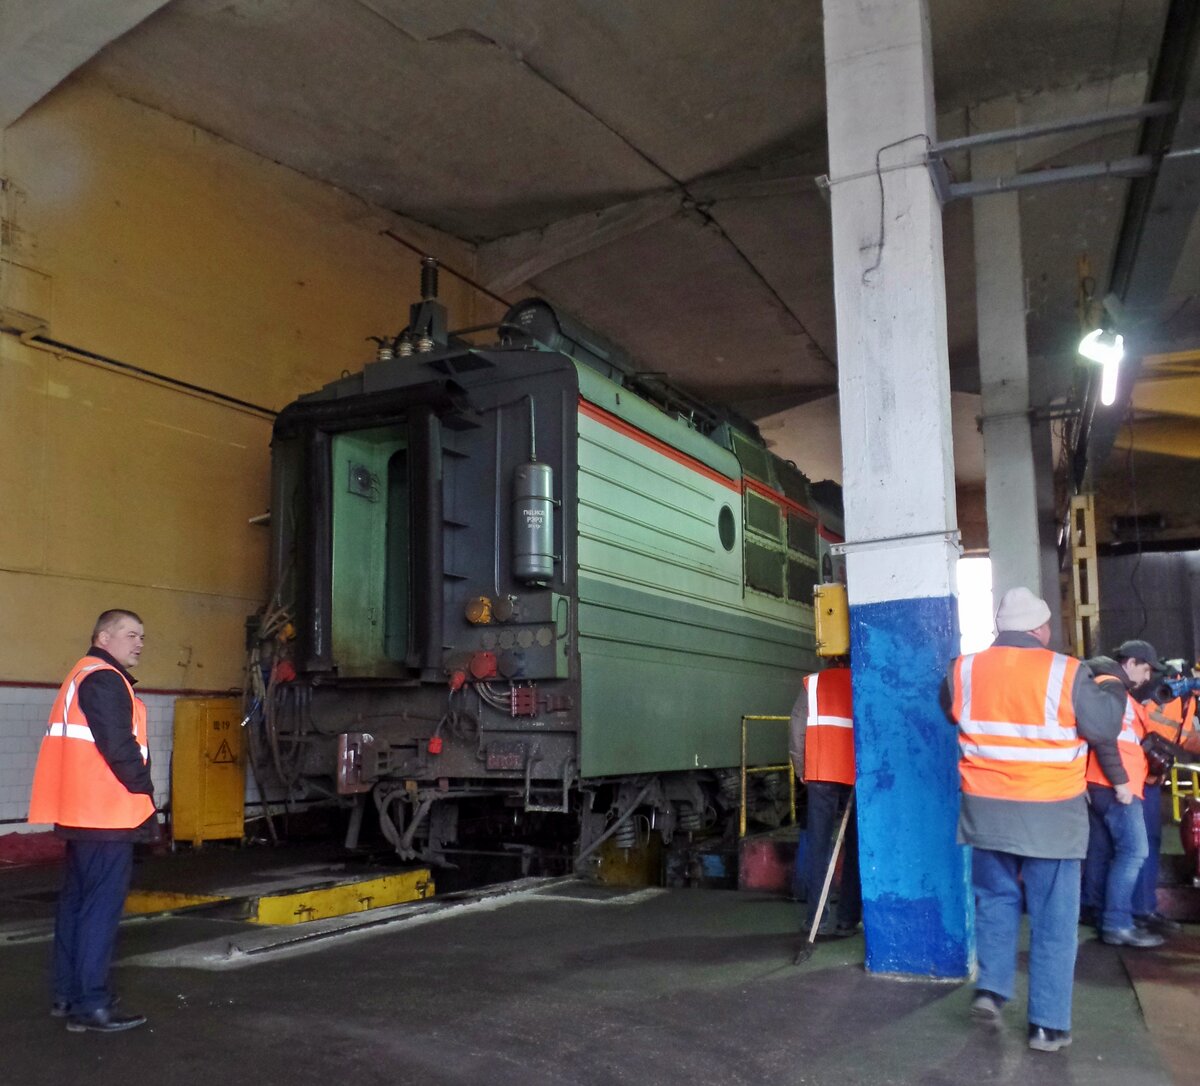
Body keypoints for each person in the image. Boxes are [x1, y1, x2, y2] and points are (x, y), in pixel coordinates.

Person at [943, 587, 1123, 1053]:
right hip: (1051, 816)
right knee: (1054, 919)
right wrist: (1114, 685)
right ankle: (1046, 1025)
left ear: (1002, 629)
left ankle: (991, 989)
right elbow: (1103, 727)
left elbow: (949, 709)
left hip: (987, 812)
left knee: (996, 901)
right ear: (1041, 629)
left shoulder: (964, 670)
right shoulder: (1067, 672)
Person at [28, 610, 157, 1033]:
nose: (139, 643)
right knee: (99, 910)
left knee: (77, 905)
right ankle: (93, 1004)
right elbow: (118, 746)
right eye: (131, 634)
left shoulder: (82, 675)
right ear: (104, 637)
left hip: (82, 812)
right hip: (105, 814)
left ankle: (68, 996)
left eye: (142, 636)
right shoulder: (105, 679)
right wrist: (145, 789)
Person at [1078, 654, 1163, 947]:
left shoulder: (1111, 690)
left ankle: (1100, 913)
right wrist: (1120, 782)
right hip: (1116, 785)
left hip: (1103, 783)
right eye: (1146, 668)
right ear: (1130, 662)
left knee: (1102, 850)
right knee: (1134, 851)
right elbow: (1104, 737)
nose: (1148, 676)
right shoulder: (1110, 688)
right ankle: (1117, 923)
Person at [1127, 644, 1198, 936]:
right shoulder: (1166, 691)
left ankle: (1141, 908)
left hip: (1146, 777)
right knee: (1139, 847)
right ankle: (1137, 911)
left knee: (1145, 844)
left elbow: (1186, 735)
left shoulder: (1182, 697)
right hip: (1137, 776)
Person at [789, 657, 860, 936]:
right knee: (854, 847)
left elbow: (797, 729)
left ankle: (816, 920)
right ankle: (848, 919)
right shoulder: (861, 681)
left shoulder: (813, 684)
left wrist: (800, 767)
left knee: (819, 846)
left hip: (820, 772)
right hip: (853, 775)